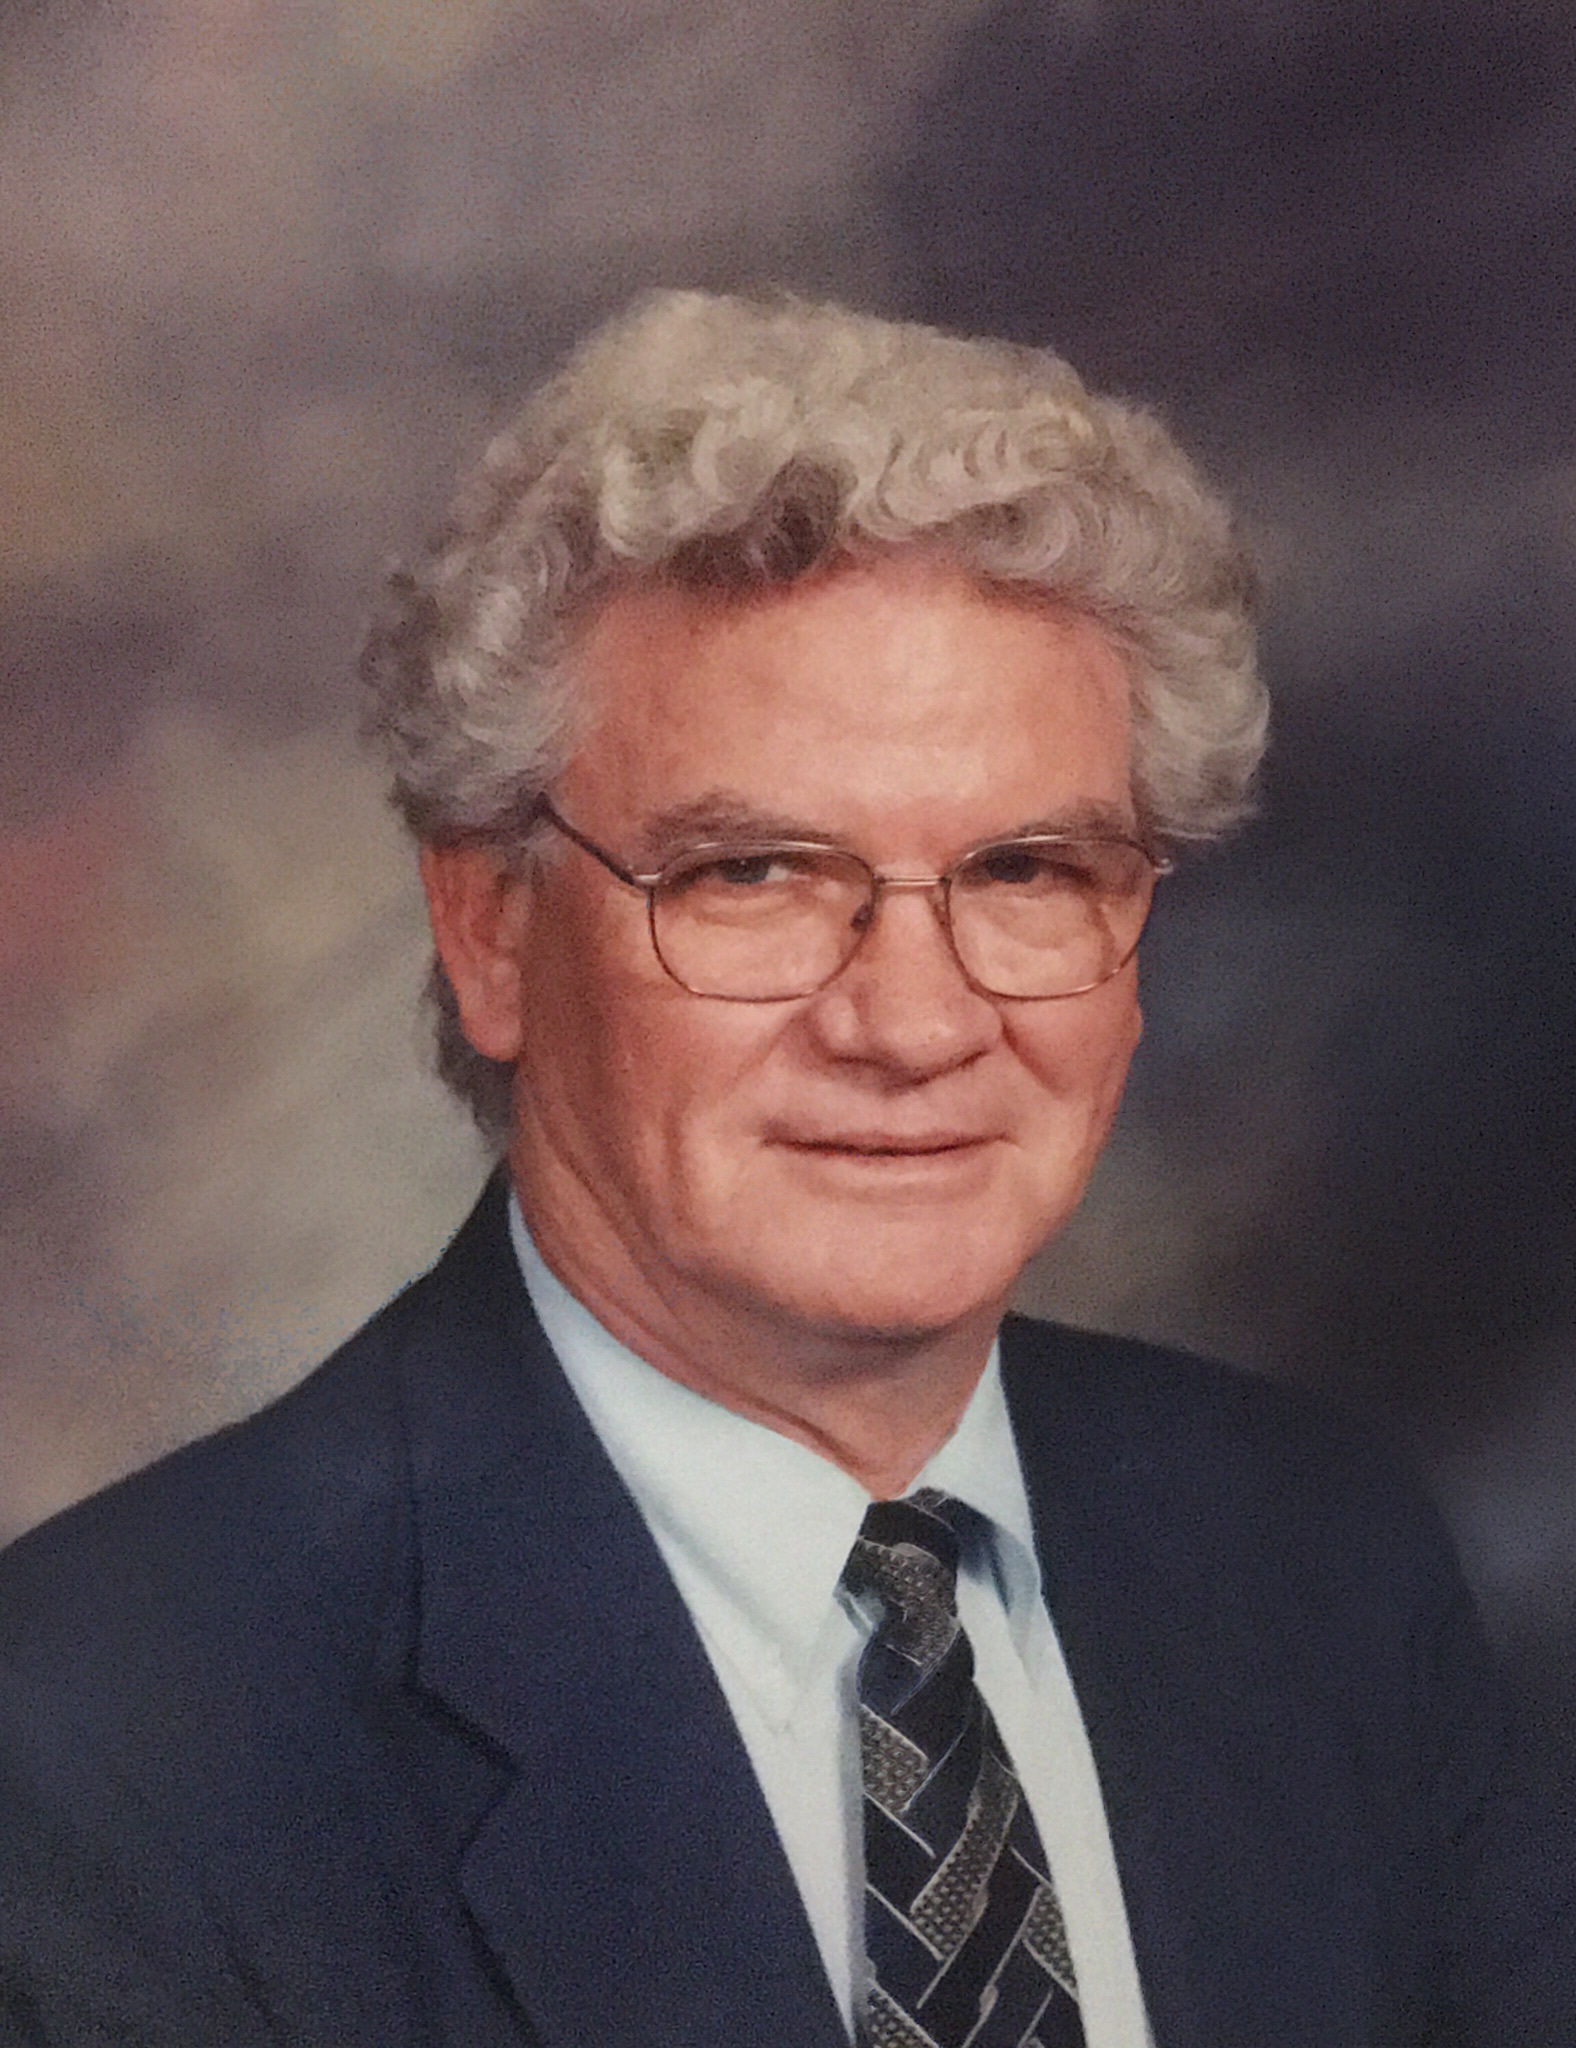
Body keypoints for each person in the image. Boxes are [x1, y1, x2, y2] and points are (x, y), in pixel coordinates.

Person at [0, 289, 1568, 2048]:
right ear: (491, 930)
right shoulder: (95, 1753)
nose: (913, 1022)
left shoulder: (1319, 1561)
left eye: (1027, 871)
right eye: (751, 875)